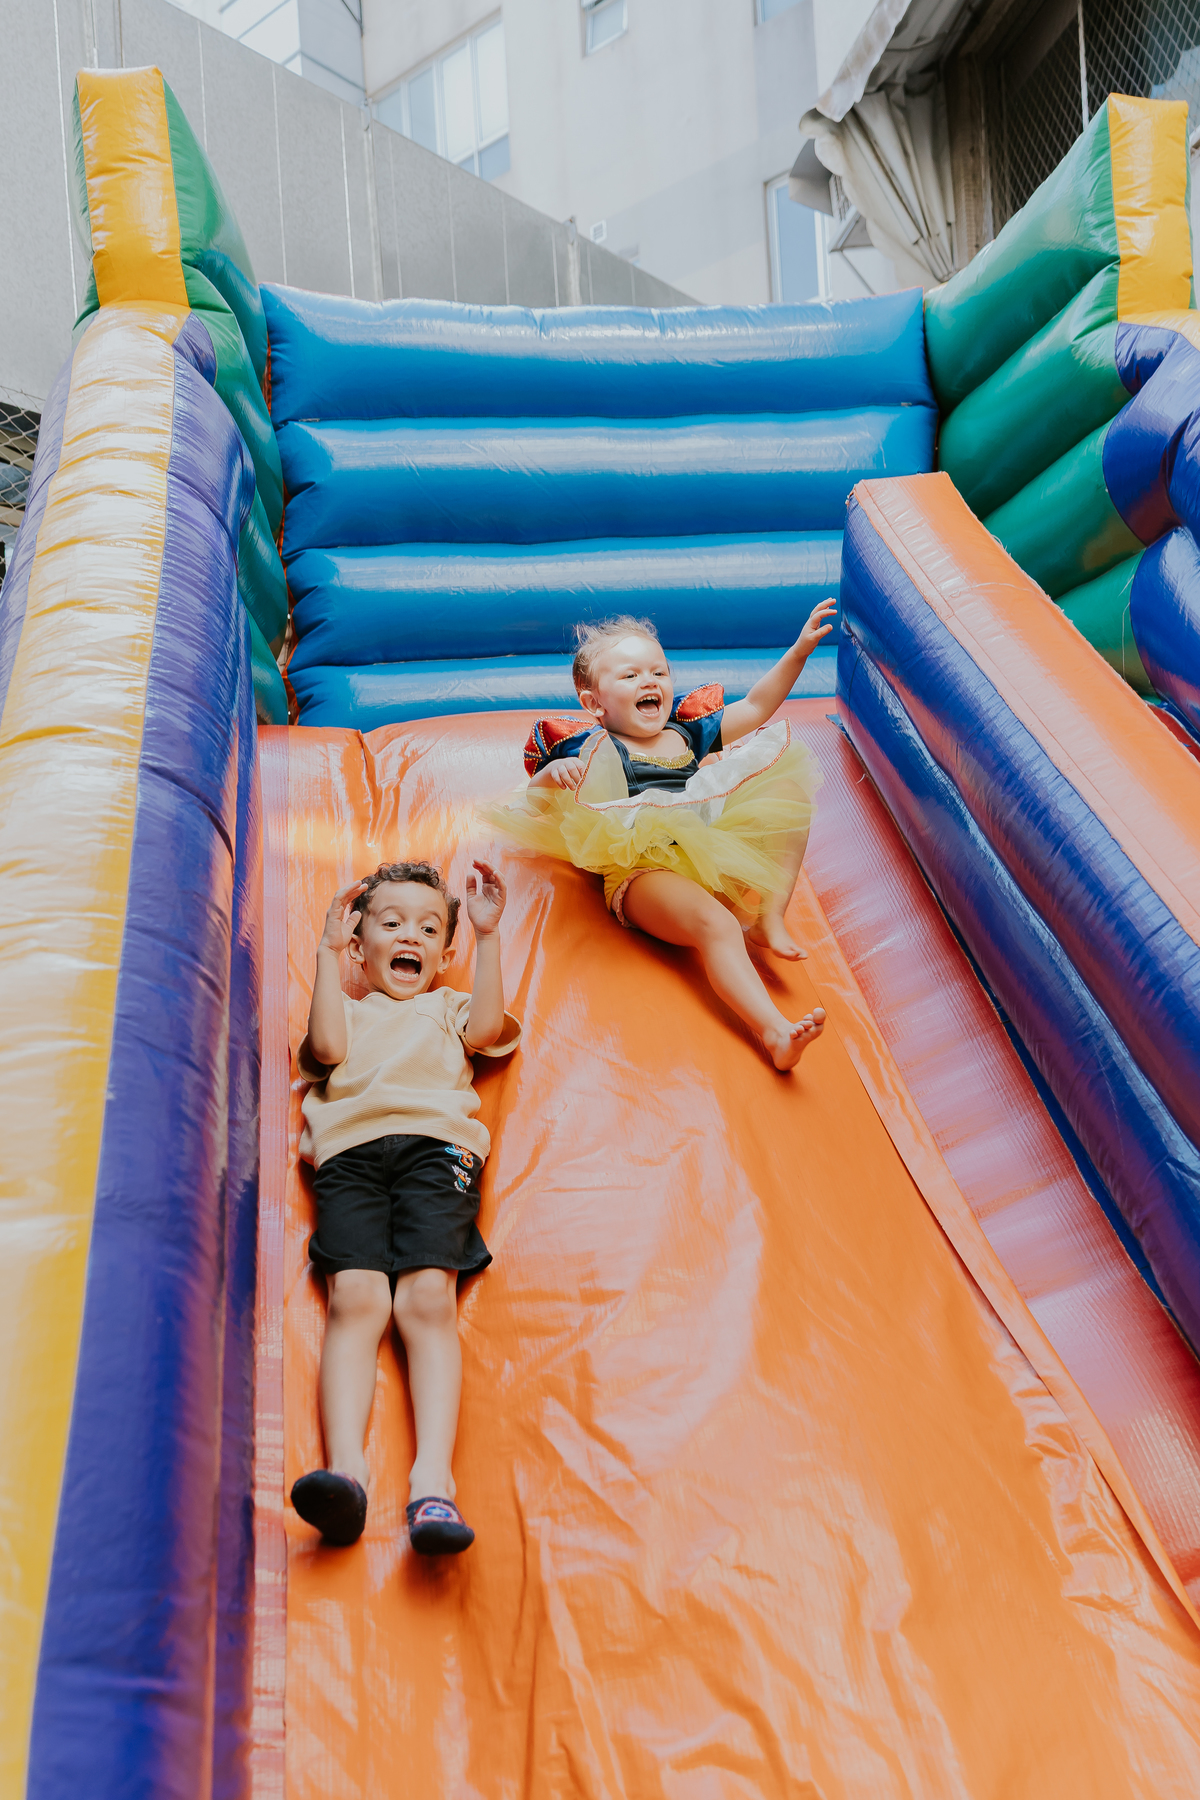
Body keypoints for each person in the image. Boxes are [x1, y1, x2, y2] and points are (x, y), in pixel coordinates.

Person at [480, 605, 835, 1071]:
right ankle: (774, 1032)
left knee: (787, 791)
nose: (650, 682)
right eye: (630, 675)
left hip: (709, 850)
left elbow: (755, 707)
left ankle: (770, 917)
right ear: (594, 703)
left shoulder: (687, 733)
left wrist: (799, 649)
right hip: (644, 870)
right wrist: (551, 774)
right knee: (720, 927)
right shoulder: (593, 748)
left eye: (658, 671)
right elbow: (536, 802)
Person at [290, 858, 520, 1557]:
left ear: (443, 954)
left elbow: (486, 1030)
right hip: (350, 1155)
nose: (408, 936)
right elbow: (326, 1048)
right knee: (356, 1299)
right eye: (390, 925)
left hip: (436, 1153)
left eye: (426, 928)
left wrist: (485, 937)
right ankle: (347, 1473)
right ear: (363, 948)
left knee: (426, 1301)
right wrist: (328, 953)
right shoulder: (350, 1011)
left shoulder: (447, 1008)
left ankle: (432, 1483)